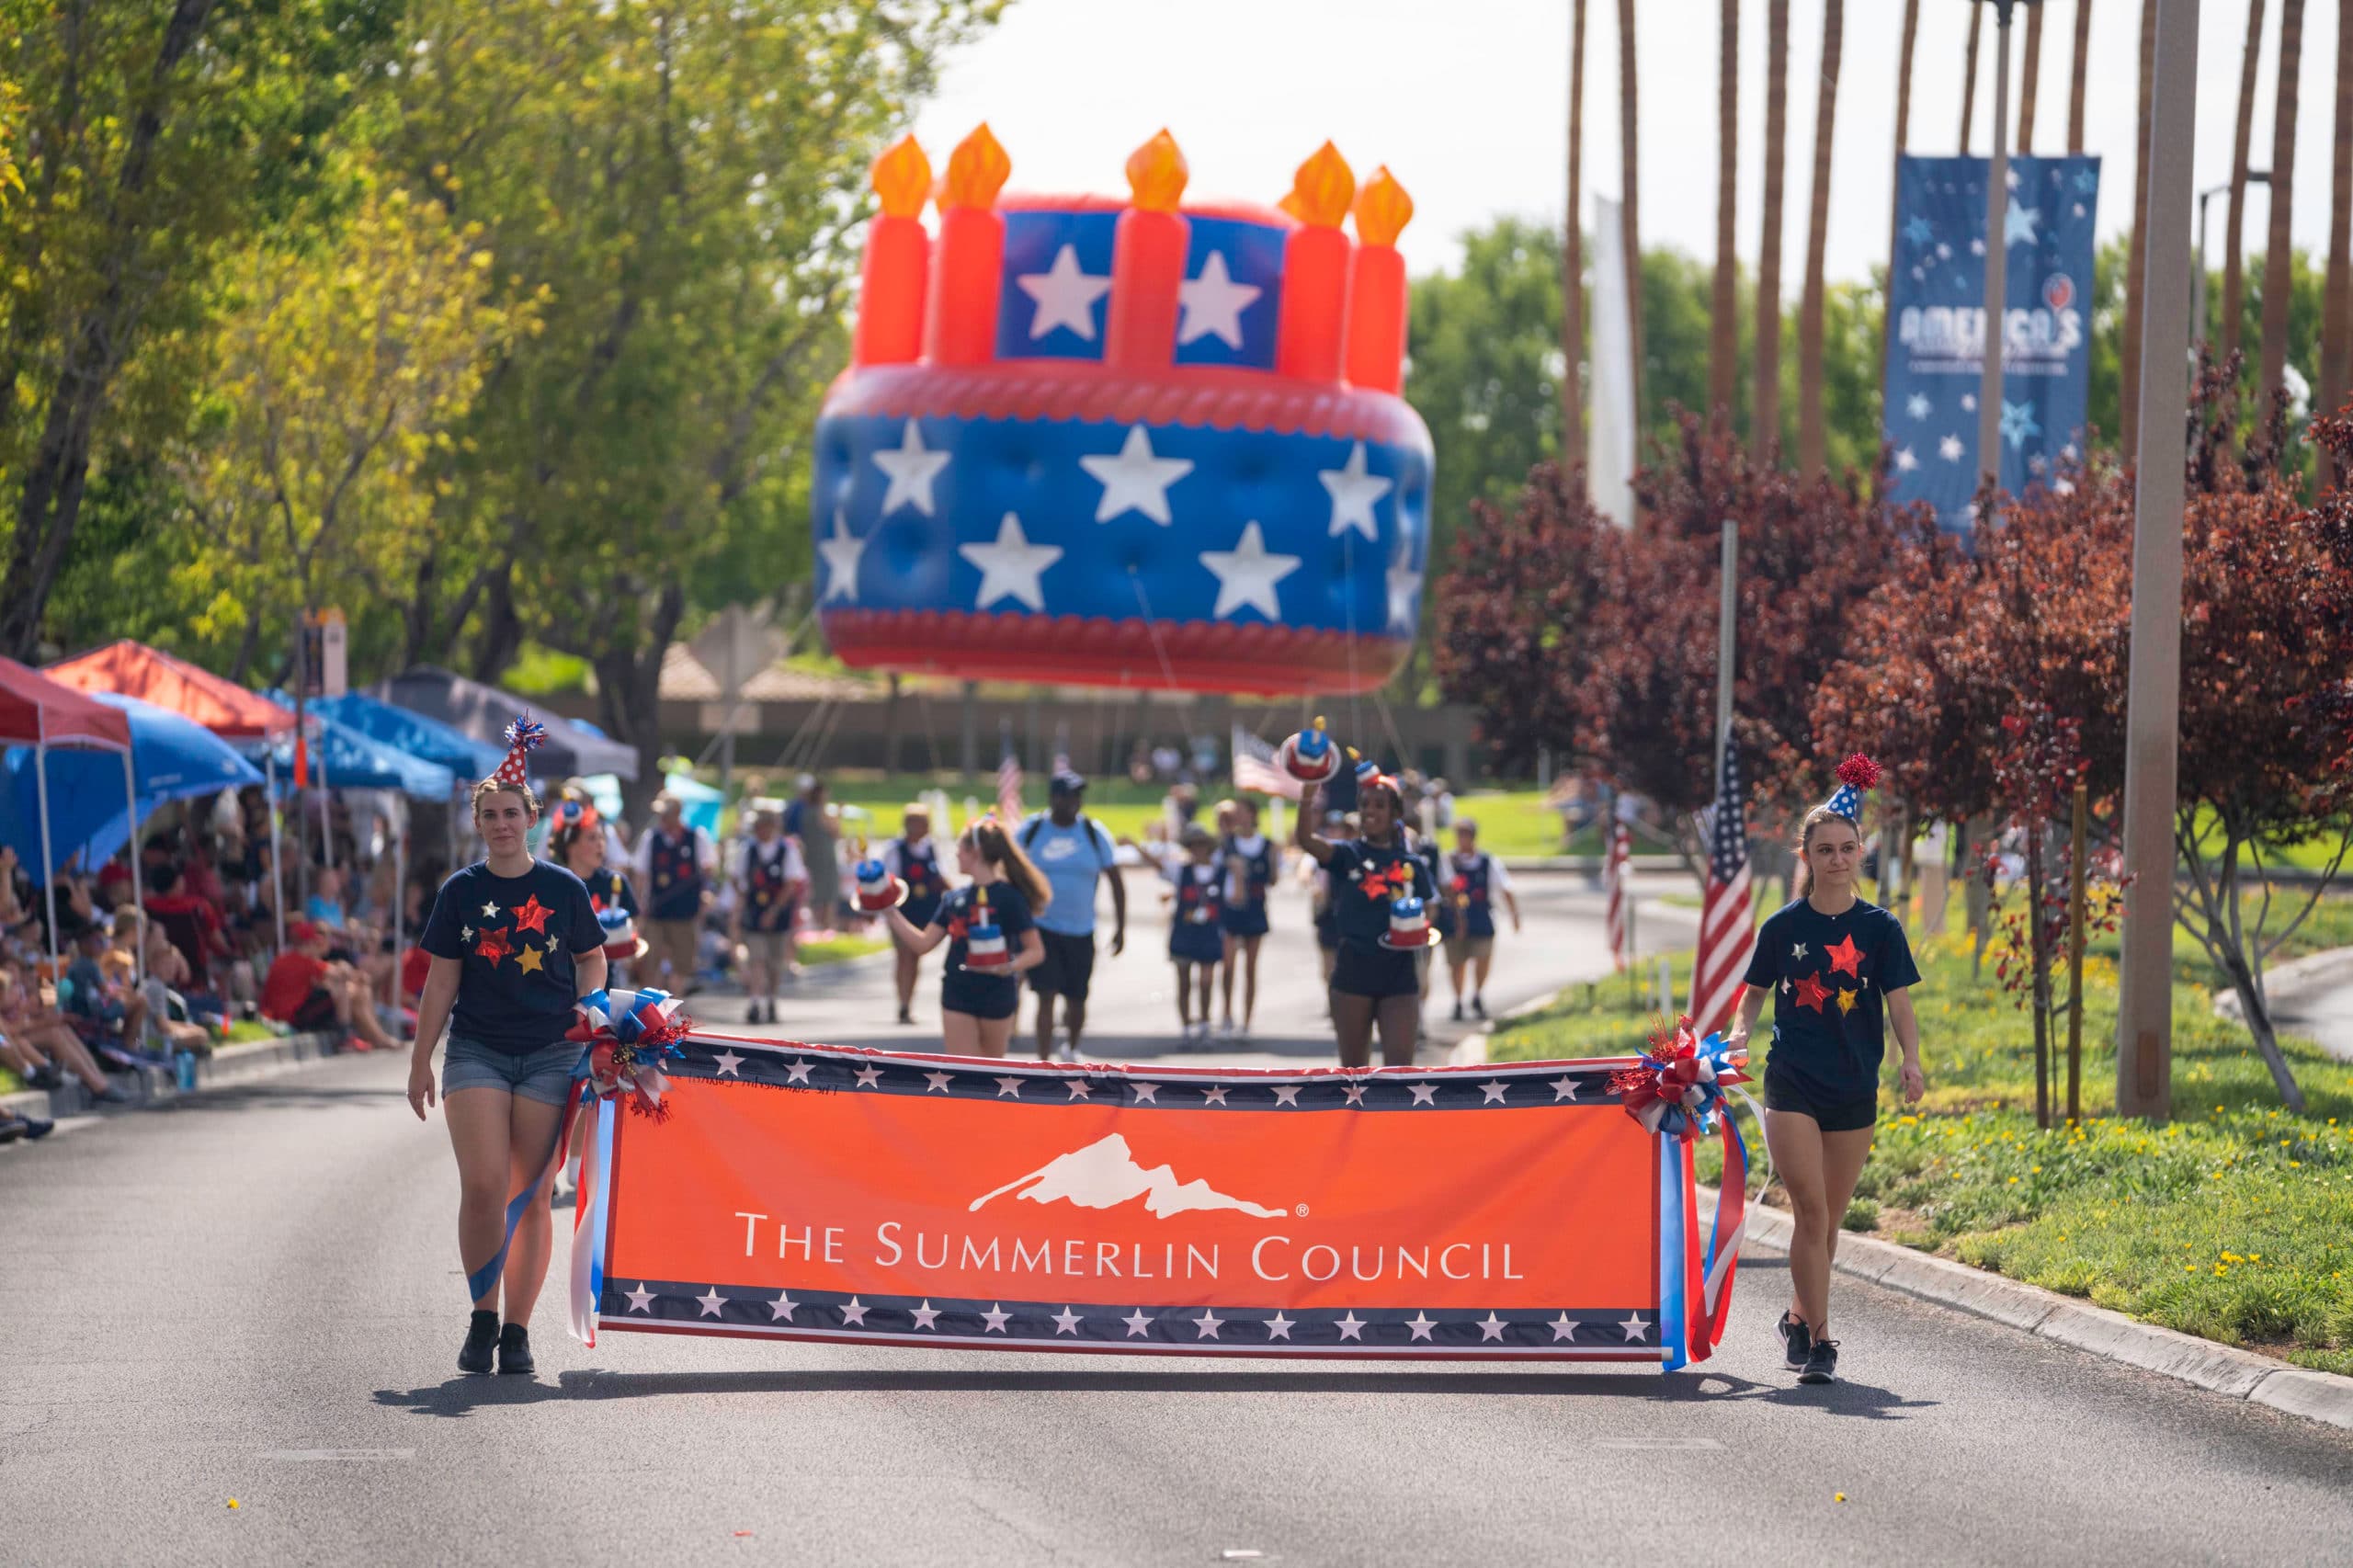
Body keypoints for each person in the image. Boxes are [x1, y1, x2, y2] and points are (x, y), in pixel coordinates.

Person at [406, 724, 608, 1378]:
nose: (500, 824)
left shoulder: (561, 889)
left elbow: (593, 959)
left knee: (532, 1190)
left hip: (552, 1053)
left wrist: (589, 1007)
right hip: (477, 1052)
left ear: (531, 819)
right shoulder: (460, 892)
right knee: (486, 1184)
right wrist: (419, 1062)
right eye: (489, 814)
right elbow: (442, 979)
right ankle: (483, 1315)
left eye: (511, 814)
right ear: (478, 821)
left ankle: (518, 1331)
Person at [1725, 757, 1925, 1387]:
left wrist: (1912, 1061)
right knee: (1810, 1213)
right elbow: (1753, 993)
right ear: (1806, 855)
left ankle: (1794, 1315)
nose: (1837, 859)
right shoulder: (1783, 927)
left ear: (1860, 852)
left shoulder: (1881, 929)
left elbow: (1899, 1002)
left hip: (1855, 1086)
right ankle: (1820, 1341)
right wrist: (1737, 1037)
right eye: (1824, 850)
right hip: (1792, 1081)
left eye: (1846, 849)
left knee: (1828, 1223)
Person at [1295, 768, 1432, 1068]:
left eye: (1379, 805)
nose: (1370, 811)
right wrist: (1307, 799)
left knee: (1399, 1075)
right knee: (1354, 1076)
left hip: (1399, 974)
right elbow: (1306, 840)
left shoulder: (1411, 864)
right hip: (1352, 972)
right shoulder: (1347, 855)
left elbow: (1430, 910)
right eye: (1365, 804)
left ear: (1396, 812)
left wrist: (1419, 927)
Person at [882, 819, 1048, 1058]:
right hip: (957, 990)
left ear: (975, 852)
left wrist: (1008, 966)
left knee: (990, 1076)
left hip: (997, 991)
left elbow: (1036, 951)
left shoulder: (1010, 898)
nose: (956, 854)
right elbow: (923, 943)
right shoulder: (954, 899)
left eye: (960, 848)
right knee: (962, 1072)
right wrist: (889, 910)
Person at [1017, 771, 1125, 1062]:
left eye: (1078, 796)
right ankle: (1042, 1060)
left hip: (1081, 929)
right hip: (1042, 927)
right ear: (1054, 798)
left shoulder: (1092, 832)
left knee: (1077, 996)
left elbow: (1115, 878)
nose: (1075, 801)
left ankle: (1071, 1048)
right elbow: (1009, 871)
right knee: (1045, 993)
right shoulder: (1032, 831)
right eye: (1069, 795)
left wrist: (1120, 928)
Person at [260, 920, 400, 1051]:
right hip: (292, 1017)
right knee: (344, 989)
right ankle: (351, 1038)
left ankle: (376, 1037)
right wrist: (348, 970)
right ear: (308, 944)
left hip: (280, 1013)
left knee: (356, 992)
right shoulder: (305, 961)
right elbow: (340, 974)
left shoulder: (283, 959)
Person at [1439, 817, 1522, 1022]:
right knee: (1457, 963)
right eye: (1459, 834)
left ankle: (1477, 994)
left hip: (1481, 919)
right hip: (1455, 922)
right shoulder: (1448, 861)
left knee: (1482, 959)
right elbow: (1444, 887)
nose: (1461, 839)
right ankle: (1458, 1000)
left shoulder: (1487, 862)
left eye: (1465, 834)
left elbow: (1505, 888)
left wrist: (1514, 915)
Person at [731, 802, 806, 1024]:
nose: (761, 831)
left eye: (766, 826)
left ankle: (772, 999)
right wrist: (744, 898)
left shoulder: (787, 850)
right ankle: (754, 1001)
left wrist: (774, 910)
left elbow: (791, 883)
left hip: (779, 912)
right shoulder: (748, 850)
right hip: (754, 911)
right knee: (757, 958)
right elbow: (737, 877)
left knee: (775, 961)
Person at [631, 794, 710, 994]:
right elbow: (641, 875)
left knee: (682, 963)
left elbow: (708, 870)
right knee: (650, 961)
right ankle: (652, 1007)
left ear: (677, 814)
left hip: (685, 912)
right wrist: (639, 905)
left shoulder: (696, 837)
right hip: (656, 911)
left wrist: (702, 899)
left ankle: (673, 1007)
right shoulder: (652, 838)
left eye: (666, 814)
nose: (662, 819)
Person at [1216, 799, 1279, 1040]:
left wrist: (1269, 866)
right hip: (1231, 909)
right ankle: (1226, 1015)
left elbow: (1272, 879)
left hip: (1255, 908)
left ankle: (1247, 1020)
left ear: (1252, 814)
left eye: (1242, 813)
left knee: (1251, 968)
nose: (1238, 818)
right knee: (1228, 965)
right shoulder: (1227, 844)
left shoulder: (1267, 845)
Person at [881, 803, 947, 1026]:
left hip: (926, 911)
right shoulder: (895, 849)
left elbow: (941, 876)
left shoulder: (931, 848)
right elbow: (889, 882)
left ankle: (909, 1002)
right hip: (904, 912)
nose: (924, 828)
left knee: (916, 956)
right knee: (903, 956)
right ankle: (902, 1003)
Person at [1165, 824, 1225, 1044]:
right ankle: (1186, 1026)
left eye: (1202, 844)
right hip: (1184, 932)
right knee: (1183, 981)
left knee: (1207, 981)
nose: (1198, 849)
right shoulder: (1180, 870)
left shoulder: (1222, 871)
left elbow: (1234, 898)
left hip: (1209, 933)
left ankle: (1205, 1023)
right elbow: (1158, 866)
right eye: (1194, 845)